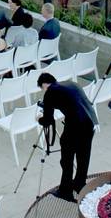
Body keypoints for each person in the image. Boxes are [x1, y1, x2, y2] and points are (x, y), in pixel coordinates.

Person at [38, 72, 98, 202]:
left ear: (44, 85)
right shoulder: (71, 84)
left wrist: (39, 119)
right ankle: (79, 184)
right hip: (90, 123)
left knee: (67, 159)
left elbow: (48, 120)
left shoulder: (50, 92)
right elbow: (73, 103)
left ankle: (65, 190)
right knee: (83, 157)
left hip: (76, 126)